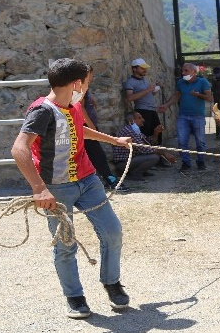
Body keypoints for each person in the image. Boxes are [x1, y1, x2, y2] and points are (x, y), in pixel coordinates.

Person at [10, 58, 130, 319]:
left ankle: (111, 282)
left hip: (88, 181)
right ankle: (74, 297)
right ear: (77, 83)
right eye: (87, 82)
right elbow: (19, 148)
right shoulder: (41, 111)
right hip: (57, 187)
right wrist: (39, 188)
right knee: (65, 245)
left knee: (112, 232)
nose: (87, 87)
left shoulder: (72, 105)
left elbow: (80, 131)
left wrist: (115, 141)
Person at [81, 67, 129, 191]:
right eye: (91, 74)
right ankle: (111, 181)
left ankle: (106, 180)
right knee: (98, 156)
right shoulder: (81, 87)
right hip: (85, 127)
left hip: (87, 126)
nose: (92, 77)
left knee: (94, 155)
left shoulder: (84, 88)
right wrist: (91, 126)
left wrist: (91, 100)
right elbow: (80, 108)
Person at [158, 63, 213, 171]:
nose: (183, 73)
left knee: (200, 141)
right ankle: (186, 163)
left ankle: (201, 162)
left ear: (194, 72)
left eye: (186, 71)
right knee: (182, 141)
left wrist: (198, 95)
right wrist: (166, 105)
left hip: (198, 116)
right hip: (183, 116)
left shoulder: (203, 82)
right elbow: (176, 96)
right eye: (182, 71)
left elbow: (209, 97)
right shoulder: (181, 83)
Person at [112, 111, 176, 180]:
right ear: (132, 121)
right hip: (123, 163)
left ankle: (140, 171)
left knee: (157, 151)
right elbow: (144, 148)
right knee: (154, 157)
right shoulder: (129, 131)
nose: (143, 120)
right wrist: (165, 153)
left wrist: (156, 132)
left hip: (131, 160)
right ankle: (135, 174)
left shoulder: (135, 130)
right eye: (140, 118)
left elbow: (148, 142)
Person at [124, 58, 163, 144]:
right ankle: (150, 155)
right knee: (147, 135)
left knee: (158, 133)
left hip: (152, 111)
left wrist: (156, 88)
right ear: (134, 69)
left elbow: (149, 94)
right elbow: (129, 98)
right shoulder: (130, 82)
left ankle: (159, 154)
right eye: (142, 68)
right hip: (142, 112)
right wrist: (147, 90)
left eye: (145, 68)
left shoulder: (144, 80)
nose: (145, 70)